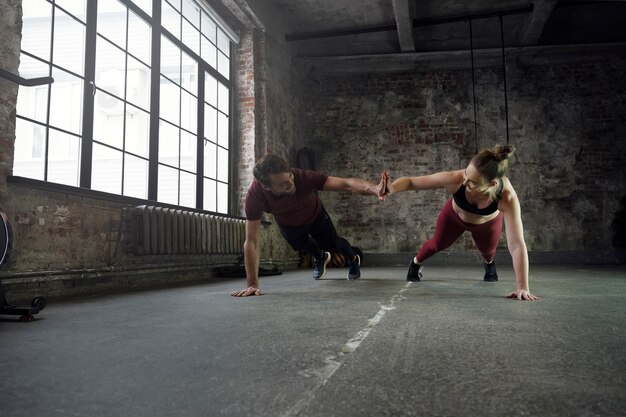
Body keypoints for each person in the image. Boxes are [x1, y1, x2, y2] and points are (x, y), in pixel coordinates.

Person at [378, 144, 539, 301]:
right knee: (437, 245)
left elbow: (517, 245)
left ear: (492, 184)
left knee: (488, 252)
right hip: (454, 217)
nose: (464, 182)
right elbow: (412, 182)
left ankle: (489, 264)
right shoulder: (456, 179)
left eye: (473, 182)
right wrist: (391, 188)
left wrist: (523, 287)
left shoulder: (507, 197)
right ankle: (415, 263)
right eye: (466, 176)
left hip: (486, 225)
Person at [232, 154, 385, 297]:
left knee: (332, 244)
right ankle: (320, 257)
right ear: (266, 187)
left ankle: (353, 259)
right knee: (303, 247)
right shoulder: (254, 197)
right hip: (288, 223)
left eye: (290, 177)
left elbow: (347, 184)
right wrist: (252, 284)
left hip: (315, 215)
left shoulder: (303, 177)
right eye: (283, 184)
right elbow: (251, 241)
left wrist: (374, 189)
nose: (291, 184)